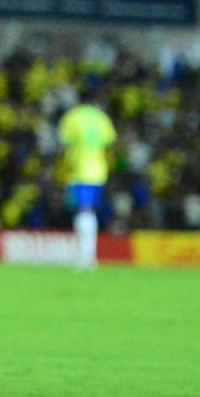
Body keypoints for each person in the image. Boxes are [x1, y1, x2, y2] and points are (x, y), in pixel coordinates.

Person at [58, 92, 116, 270]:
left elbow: (64, 144)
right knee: (88, 211)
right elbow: (110, 144)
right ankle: (88, 256)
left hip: (80, 170)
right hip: (99, 171)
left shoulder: (73, 117)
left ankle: (86, 258)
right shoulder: (102, 118)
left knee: (84, 210)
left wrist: (64, 167)